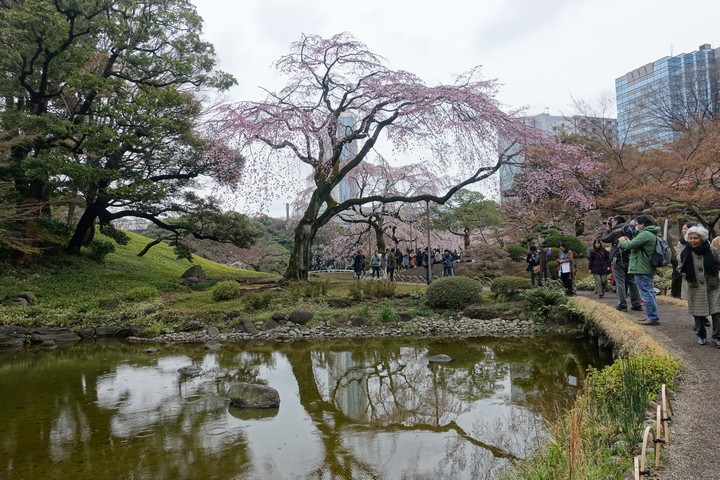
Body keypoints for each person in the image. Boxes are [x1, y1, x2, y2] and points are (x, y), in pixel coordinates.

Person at [678, 225, 720, 345]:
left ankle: (717, 336)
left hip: (713, 285)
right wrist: (684, 273)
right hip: (695, 286)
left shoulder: (711, 250)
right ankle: (701, 335)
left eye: (695, 238)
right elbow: (680, 266)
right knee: (698, 313)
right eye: (690, 238)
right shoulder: (685, 252)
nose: (692, 241)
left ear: (702, 238)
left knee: (717, 312)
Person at [618, 215, 661, 326]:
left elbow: (631, 245)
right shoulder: (649, 233)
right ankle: (651, 316)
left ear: (642, 224)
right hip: (644, 266)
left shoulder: (645, 234)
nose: (635, 226)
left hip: (642, 267)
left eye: (637, 224)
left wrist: (622, 241)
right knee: (649, 292)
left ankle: (652, 317)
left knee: (646, 293)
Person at [602, 215, 642, 312]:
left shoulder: (616, 232)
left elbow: (604, 239)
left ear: (616, 221)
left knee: (620, 282)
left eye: (613, 221)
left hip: (618, 260)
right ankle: (636, 304)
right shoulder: (632, 230)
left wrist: (608, 229)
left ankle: (622, 304)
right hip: (631, 258)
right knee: (632, 282)